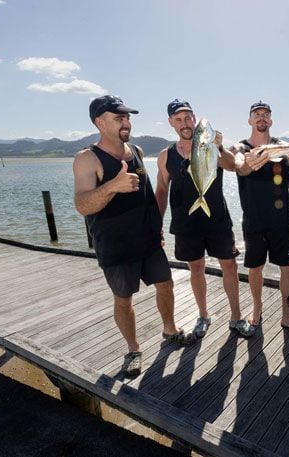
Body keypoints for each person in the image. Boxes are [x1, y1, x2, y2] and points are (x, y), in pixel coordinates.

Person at [73, 95, 191, 379]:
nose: (126, 123)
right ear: (100, 122)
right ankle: (133, 349)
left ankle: (170, 329)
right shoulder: (87, 158)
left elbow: (149, 197)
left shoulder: (135, 150)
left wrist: (156, 228)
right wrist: (112, 185)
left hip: (148, 241)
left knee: (166, 285)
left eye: (127, 117)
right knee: (124, 299)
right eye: (119, 118)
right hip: (115, 246)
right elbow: (82, 205)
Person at [154, 99, 255, 339]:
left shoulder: (211, 146)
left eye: (188, 118)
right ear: (171, 123)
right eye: (178, 119)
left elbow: (234, 167)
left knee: (229, 266)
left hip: (217, 220)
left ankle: (236, 318)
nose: (184, 123)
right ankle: (203, 315)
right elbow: (160, 190)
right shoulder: (165, 155)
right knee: (195, 268)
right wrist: (155, 225)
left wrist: (219, 147)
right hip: (186, 224)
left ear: (195, 119)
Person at [229, 101, 289, 338]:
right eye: (257, 114)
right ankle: (257, 309)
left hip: (281, 221)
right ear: (250, 120)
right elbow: (239, 165)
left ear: (271, 120)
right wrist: (247, 164)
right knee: (255, 270)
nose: (261, 117)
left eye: (265, 114)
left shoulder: (281, 147)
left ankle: (287, 317)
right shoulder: (240, 147)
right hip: (253, 221)